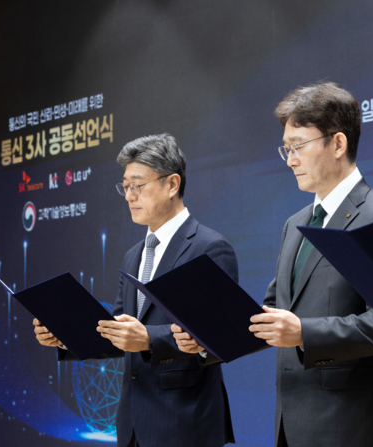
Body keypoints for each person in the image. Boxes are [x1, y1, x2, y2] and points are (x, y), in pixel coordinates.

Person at [173, 82, 373, 447]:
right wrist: (206, 339)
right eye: (286, 149)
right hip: (291, 424)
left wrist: (304, 333)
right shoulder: (295, 223)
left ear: (338, 144)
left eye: (299, 146)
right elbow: (271, 314)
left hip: (352, 426)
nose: (290, 160)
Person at [33, 134, 237, 447]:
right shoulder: (134, 255)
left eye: (138, 185)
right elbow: (118, 331)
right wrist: (66, 336)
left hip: (185, 424)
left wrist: (148, 339)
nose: (129, 196)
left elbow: (220, 334)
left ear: (172, 184)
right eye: (125, 186)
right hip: (131, 426)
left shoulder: (208, 247)